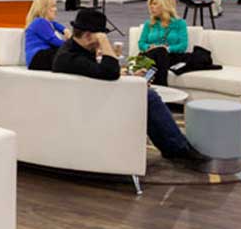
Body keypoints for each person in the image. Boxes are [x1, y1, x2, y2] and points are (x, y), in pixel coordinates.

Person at [52, 9, 207, 162]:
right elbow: (109, 72)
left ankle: (174, 147)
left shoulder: (75, 50)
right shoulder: (69, 57)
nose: (101, 42)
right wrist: (104, 43)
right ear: (87, 35)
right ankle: (178, 148)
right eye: (101, 36)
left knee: (144, 95)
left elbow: (98, 74)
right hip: (90, 106)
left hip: (93, 97)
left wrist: (129, 78)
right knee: (148, 97)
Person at [137, 0, 189, 86]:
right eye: (151, 4)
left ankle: (148, 85)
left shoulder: (180, 23)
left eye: (155, 4)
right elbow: (141, 43)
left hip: (171, 57)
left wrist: (167, 49)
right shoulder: (149, 24)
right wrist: (149, 47)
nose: (152, 7)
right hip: (150, 55)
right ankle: (162, 87)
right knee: (159, 52)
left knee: (161, 52)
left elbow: (183, 45)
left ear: (166, 6)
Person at [24, 0, 65, 71]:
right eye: (52, 7)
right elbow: (55, 41)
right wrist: (73, 45)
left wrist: (64, 30)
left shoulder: (44, 22)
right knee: (68, 55)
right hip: (37, 57)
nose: (56, 9)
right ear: (43, 9)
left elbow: (55, 24)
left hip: (39, 56)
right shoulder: (40, 22)